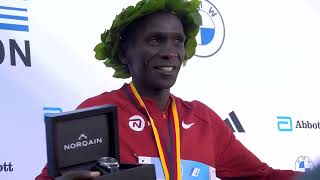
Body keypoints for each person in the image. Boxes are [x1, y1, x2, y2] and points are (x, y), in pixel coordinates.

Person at [36, 0, 302, 179]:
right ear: (125, 52)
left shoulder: (203, 120)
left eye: (177, 42)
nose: (169, 53)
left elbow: (263, 176)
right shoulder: (98, 114)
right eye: (155, 40)